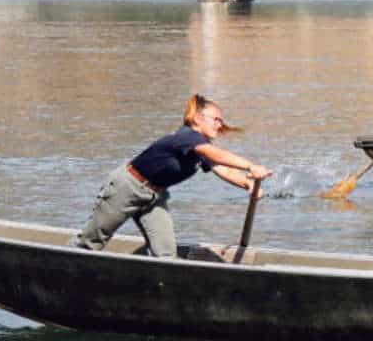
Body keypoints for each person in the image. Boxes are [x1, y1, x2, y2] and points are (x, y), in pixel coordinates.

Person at [72, 94, 272, 258]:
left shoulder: (201, 147)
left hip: (154, 197)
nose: (220, 125)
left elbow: (223, 168)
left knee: (166, 253)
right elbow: (217, 155)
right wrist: (250, 165)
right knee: (90, 243)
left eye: (221, 120)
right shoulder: (187, 137)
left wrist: (248, 184)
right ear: (197, 118)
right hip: (127, 188)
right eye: (216, 119)